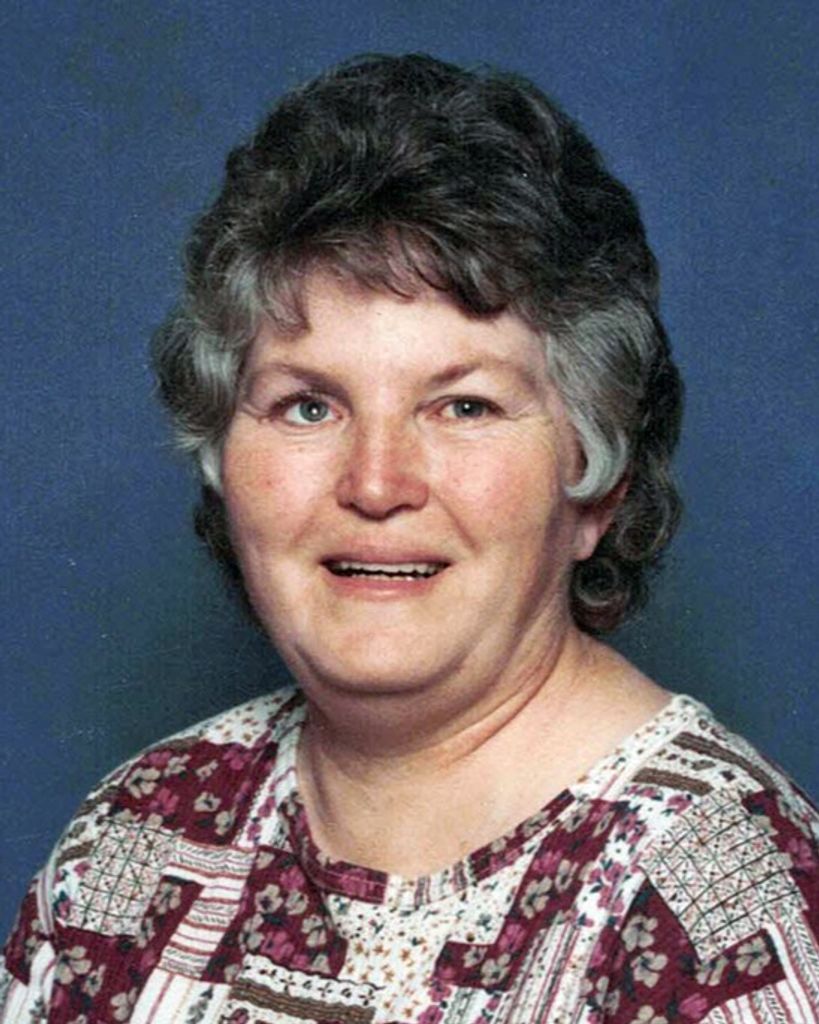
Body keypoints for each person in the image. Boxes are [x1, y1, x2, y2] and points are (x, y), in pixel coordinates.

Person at [2, 53, 817, 1024]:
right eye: (308, 406)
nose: (376, 483)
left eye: (464, 406)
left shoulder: (721, 918)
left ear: (597, 481)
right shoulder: (136, 840)